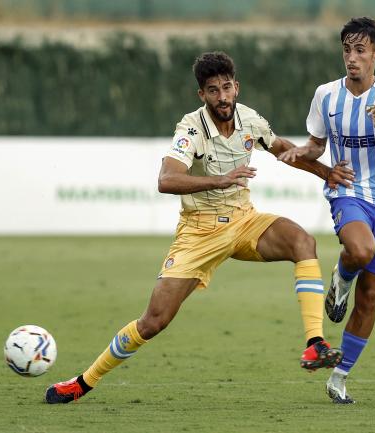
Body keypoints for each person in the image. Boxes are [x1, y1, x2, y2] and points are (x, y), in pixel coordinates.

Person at [45, 51, 354, 404]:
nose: (222, 97)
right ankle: (83, 383)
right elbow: (166, 179)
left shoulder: (249, 119)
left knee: (303, 242)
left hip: (244, 221)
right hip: (200, 233)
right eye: (213, 91)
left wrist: (327, 172)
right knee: (153, 321)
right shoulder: (190, 129)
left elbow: (284, 149)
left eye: (226, 88)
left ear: (236, 87)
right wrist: (219, 180)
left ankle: (315, 343)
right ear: (201, 95)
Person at [279, 17, 375, 404]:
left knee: (370, 295)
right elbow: (317, 145)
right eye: (346, 50)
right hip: (347, 189)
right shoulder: (326, 95)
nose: (352, 58)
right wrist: (298, 153)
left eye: (360, 50)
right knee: (360, 250)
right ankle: (340, 277)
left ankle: (339, 376)